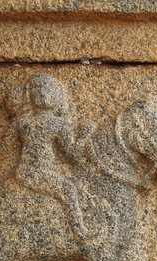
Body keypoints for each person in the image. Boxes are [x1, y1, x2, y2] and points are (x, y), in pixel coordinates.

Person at [13, 73, 95, 241]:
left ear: (57, 95)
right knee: (68, 189)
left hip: (42, 172)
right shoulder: (24, 122)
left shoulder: (50, 123)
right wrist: (85, 135)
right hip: (33, 172)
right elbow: (75, 155)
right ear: (29, 95)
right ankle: (80, 231)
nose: (43, 93)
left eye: (48, 89)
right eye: (38, 89)